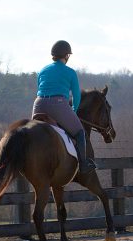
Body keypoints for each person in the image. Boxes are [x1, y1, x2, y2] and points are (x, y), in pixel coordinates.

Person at [32, 40, 96, 174]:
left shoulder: (43, 70)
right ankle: (83, 165)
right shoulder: (70, 72)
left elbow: (40, 88)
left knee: (32, 133)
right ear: (66, 56)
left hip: (38, 103)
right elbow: (76, 96)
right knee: (80, 132)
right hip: (58, 104)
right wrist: (73, 111)